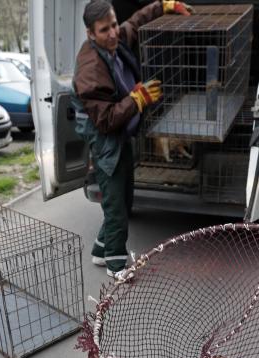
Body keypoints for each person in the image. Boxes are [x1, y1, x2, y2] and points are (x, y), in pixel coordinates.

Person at [73, 0, 192, 279]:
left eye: (114, 25)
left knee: (123, 201)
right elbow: (104, 121)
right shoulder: (90, 69)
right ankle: (116, 266)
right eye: (105, 30)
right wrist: (137, 99)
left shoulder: (113, 41)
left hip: (120, 135)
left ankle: (100, 250)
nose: (113, 33)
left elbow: (135, 23)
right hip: (105, 141)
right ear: (91, 34)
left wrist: (164, 5)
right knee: (116, 206)